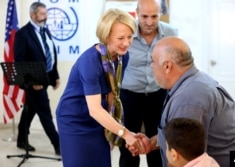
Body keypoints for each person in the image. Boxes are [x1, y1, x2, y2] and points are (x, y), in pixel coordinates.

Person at [128, 36, 235, 167]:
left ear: (167, 66)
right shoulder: (194, 82)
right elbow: (179, 139)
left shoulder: (189, 100)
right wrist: (152, 143)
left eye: (153, 61)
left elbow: (182, 159)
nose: (151, 66)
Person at [56, 8, 143, 167]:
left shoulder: (123, 56)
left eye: (130, 37)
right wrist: (125, 133)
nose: (126, 43)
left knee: (101, 162)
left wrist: (112, 130)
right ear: (106, 36)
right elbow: (94, 109)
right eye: (120, 38)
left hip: (99, 116)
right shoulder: (90, 61)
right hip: (75, 118)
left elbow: (112, 93)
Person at [119, 0, 178, 167]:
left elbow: (177, 63)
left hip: (158, 94)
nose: (149, 22)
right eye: (144, 16)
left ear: (161, 14)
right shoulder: (127, 33)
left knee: (158, 144)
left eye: (154, 16)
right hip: (129, 96)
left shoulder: (171, 33)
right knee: (129, 146)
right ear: (137, 13)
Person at [14, 2, 60, 155]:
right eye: (42, 14)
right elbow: (19, 61)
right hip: (34, 83)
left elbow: (51, 54)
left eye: (46, 14)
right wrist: (32, 82)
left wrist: (55, 76)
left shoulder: (44, 31)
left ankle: (21, 139)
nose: (45, 17)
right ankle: (58, 145)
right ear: (32, 15)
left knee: (31, 109)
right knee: (45, 113)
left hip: (45, 79)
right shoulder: (23, 34)